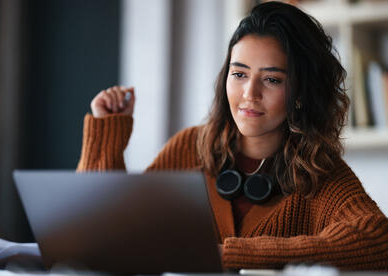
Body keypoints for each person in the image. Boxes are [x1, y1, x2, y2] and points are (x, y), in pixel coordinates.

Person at [77, 1, 388, 271]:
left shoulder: (319, 172)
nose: (249, 94)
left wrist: (229, 255)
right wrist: (107, 134)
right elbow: (101, 232)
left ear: (300, 93)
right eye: (239, 74)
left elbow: (378, 239)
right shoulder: (190, 149)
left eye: (271, 79)